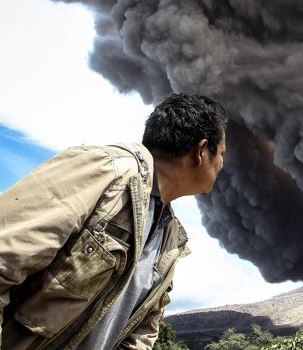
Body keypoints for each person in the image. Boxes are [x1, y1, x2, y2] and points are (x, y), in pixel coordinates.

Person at [0, 93, 227, 349]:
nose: (221, 164)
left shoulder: (171, 239)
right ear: (201, 151)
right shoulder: (105, 171)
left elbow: (141, 332)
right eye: (220, 153)